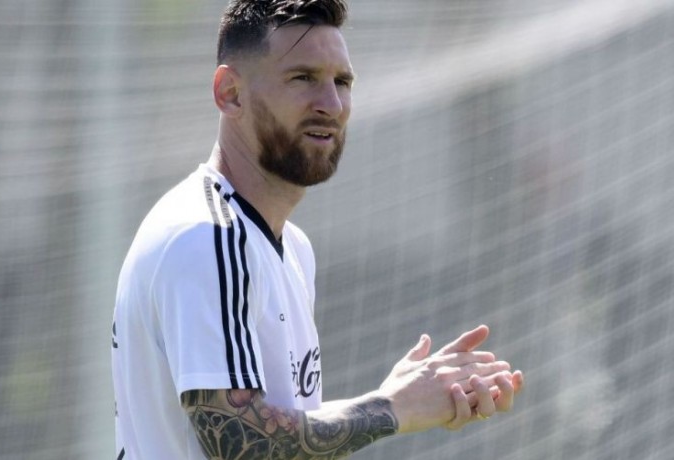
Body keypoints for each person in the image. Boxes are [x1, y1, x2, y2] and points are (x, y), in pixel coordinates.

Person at [110, 0, 523, 458]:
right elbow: (243, 442)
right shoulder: (207, 236)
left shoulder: (290, 247)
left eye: (342, 82)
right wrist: (393, 408)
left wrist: (399, 396)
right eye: (303, 78)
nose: (331, 105)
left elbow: (278, 426)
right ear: (230, 93)